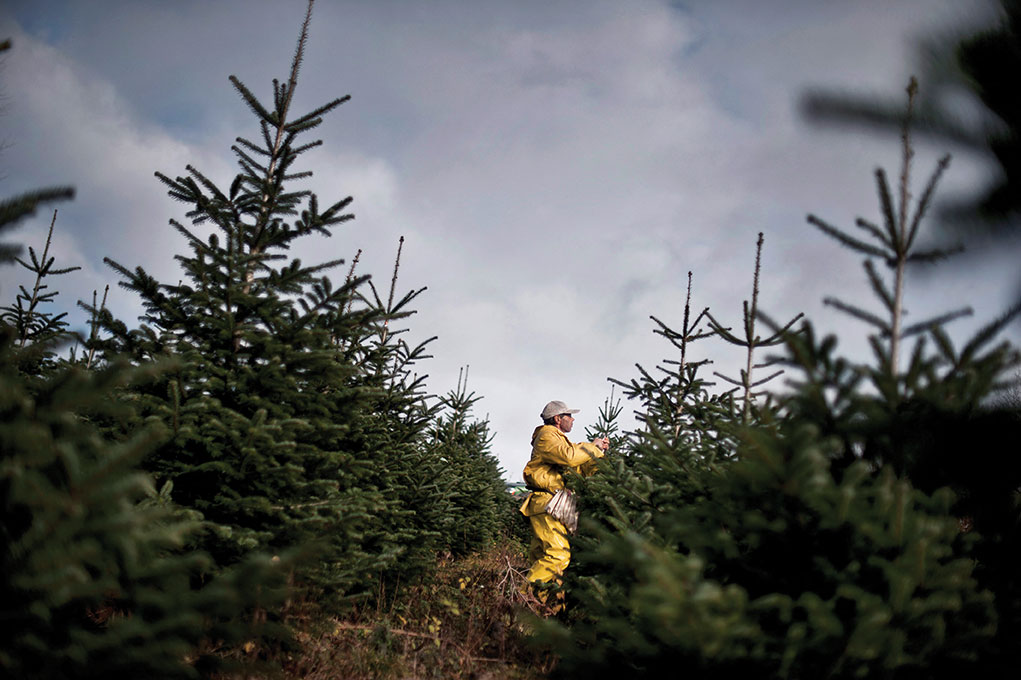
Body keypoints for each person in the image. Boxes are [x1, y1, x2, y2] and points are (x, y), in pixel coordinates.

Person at [519, 400, 609, 584]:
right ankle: (520, 601)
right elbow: (568, 457)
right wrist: (592, 446)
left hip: (555, 504)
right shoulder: (546, 436)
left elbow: (580, 470)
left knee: (543, 558)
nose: (573, 419)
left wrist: (598, 453)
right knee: (558, 556)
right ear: (558, 419)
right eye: (569, 416)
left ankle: (545, 607)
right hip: (547, 504)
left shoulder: (559, 440)